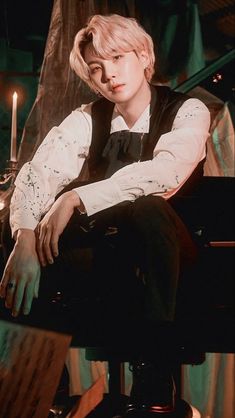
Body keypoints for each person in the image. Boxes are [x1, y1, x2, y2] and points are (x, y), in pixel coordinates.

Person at [0, 14, 210, 416]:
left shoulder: (188, 110)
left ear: (144, 55)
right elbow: (37, 174)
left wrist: (75, 198)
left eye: (117, 58)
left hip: (172, 262)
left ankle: (153, 376)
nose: (108, 74)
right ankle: (41, 383)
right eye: (96, 68)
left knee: (148, 208)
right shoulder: (86, 119)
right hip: (109, 260)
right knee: (19, 226)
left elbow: (163, 174)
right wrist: (25, 237)